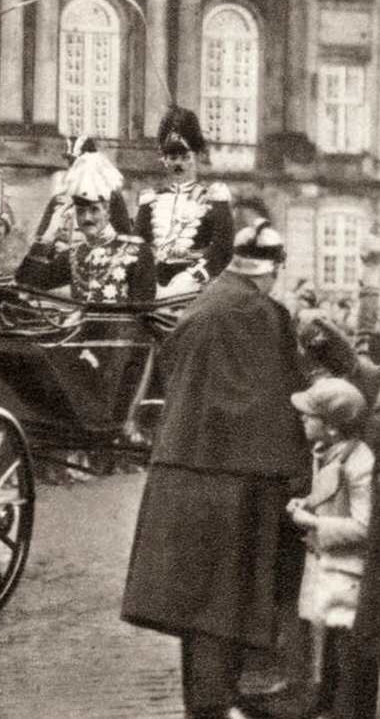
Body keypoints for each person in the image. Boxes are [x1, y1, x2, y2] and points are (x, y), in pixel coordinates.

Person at [121, 220, 310, 719]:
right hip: (238, 477)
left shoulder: (199, 306)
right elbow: (289, 395)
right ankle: (221, 702)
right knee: (230, 602)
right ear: (270, 271)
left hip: (179, 471)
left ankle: (202, 705)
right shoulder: (265, 314)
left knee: (194, 605)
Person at [285, 377, 377, 719]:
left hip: (347, 574)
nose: (303, 419)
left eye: (311, 415)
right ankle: (325, 702)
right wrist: (308, 503)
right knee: (328, 640)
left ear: (333, 426)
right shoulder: (328, 453)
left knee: (344, 643)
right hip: (329, 568)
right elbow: (328, 495)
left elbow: (366, 526)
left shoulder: (359, 463)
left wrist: (314, 523)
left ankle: (342, 708)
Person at [16, 155, 156, 303]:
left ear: (108, 212)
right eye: (81, 211)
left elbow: (143, 309)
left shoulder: (137, 252)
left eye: (94, 210)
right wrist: (48, 235)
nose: (87, 218)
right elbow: (26, 283)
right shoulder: (74, 255)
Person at [135, 105, 235, 298]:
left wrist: (195, 275)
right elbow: (139, 244)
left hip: (195, 287)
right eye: (173, 158)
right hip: (152, 284)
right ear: (164, 160)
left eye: (185, 157)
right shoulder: (150, 200)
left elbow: (223, 247)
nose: (178, 164)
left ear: (196, 157)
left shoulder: (214, 197)